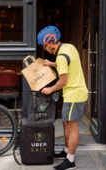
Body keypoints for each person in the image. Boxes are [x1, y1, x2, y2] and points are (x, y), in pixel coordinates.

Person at [37, 25, 88, 170]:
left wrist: (49, 89)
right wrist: (51, 64)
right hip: (75, 93)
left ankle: (70, 161)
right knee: (66, 124)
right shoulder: (69, 47)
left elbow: (62, 81)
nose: (44, 48)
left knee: (72, 127)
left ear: (50, 42)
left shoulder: (61, 57)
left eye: (44, 45)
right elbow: (66, 63)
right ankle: (66, 152)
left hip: (74, 95)